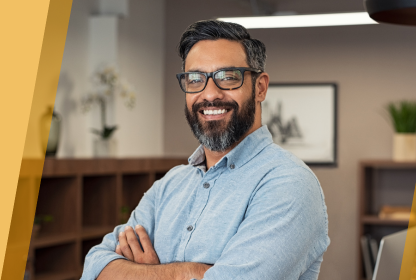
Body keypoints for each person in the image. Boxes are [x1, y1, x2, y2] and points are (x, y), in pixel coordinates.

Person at [81, 19, 329, 280]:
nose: (210, 94)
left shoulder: (289, 184)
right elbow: (94, 268)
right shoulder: (169, 186)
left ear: (260, 87)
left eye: (228, 77)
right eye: (195, 79)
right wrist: (189, 273)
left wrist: (147, 273)